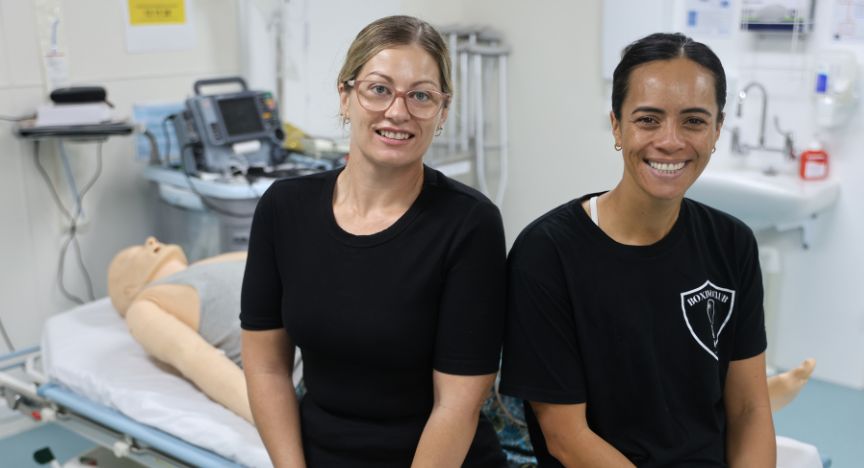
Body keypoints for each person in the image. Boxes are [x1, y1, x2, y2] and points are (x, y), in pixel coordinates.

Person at [240, 15, 507, 467]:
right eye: (379, 89)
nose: (398, 112)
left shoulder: (470, 224)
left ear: (442, 112)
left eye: (421, 95)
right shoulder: (284, 209)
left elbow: (456, 406)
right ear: (346, 97)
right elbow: (266, 367)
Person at [500, 33, 776, 467]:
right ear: (616, 125)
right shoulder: (548, 254)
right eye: (648, 119)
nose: (670, 141)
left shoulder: (732, 244)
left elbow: (749, 410)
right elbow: (566, 437)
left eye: (694, 121)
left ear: (718, 129)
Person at [106, 236, 253, 423]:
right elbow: (199, 360)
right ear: (130, 291)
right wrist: (275, 421)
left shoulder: (206, 266)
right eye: (133, 256)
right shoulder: (145, 304)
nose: (151, 241)